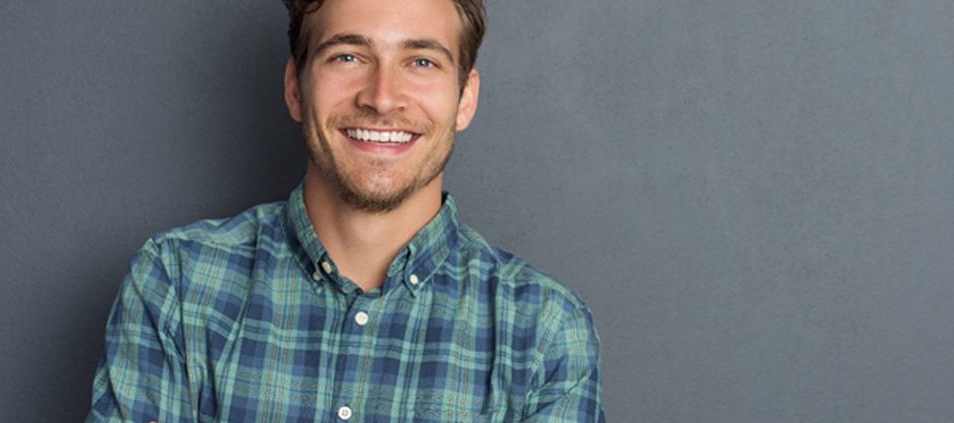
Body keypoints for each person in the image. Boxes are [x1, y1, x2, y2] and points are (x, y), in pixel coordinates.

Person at [86, 0, 605, 421]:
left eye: (421, 61)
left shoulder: (542, 332)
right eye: (348, 56)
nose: (382, 98)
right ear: (295, 87)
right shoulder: (178, 285)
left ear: (465, 98)